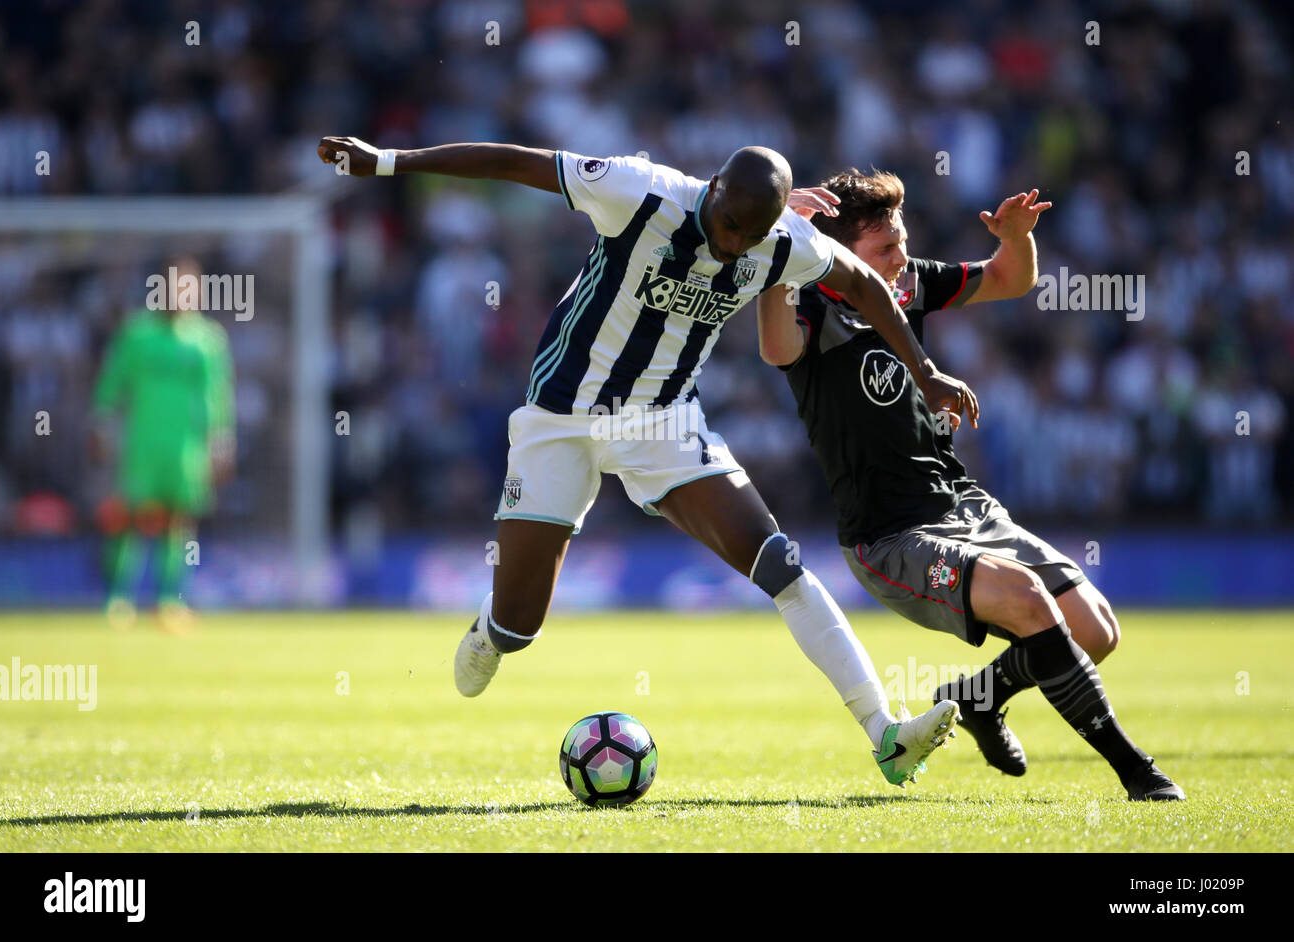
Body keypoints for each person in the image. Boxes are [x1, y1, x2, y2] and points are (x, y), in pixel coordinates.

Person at [317, 137, 979, 785]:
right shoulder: (639, 190)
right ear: (714, 190)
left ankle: (885, 734)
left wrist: (925, 372)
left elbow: (864, 283)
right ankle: (495, 628)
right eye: (728, 226)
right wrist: (388, 162)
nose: (732, 244)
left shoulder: (782, 241)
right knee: (520, 626)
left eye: (749, 237)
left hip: (661, 422)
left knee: (780, 563)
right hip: (560, 420)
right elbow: (515, 162)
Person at [758, 168, 1183, 800]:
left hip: (963, 506)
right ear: (840, 254)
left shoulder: (908, 284)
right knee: (1028, 598)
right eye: (884, 251)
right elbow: (773, 349)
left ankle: (977, 699)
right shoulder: (808, 308)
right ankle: (1137, 771)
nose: (901, 260)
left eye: (902, 241)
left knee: (1095, 629)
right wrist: (782, 242)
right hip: (889, 537)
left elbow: (1012, 277)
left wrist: (1017, 238)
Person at [92, 258, 236, 634]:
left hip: (186, 449)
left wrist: (221, 442)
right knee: (130, 518)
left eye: (189, 289)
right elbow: (110, 385)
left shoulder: (207, 340)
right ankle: (118, 600)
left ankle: (170, 600)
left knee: (179, 522)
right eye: (175, 288)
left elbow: (217, 398)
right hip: (142, 445)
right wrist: (102, 424)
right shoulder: (136, 335)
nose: (181, 297)